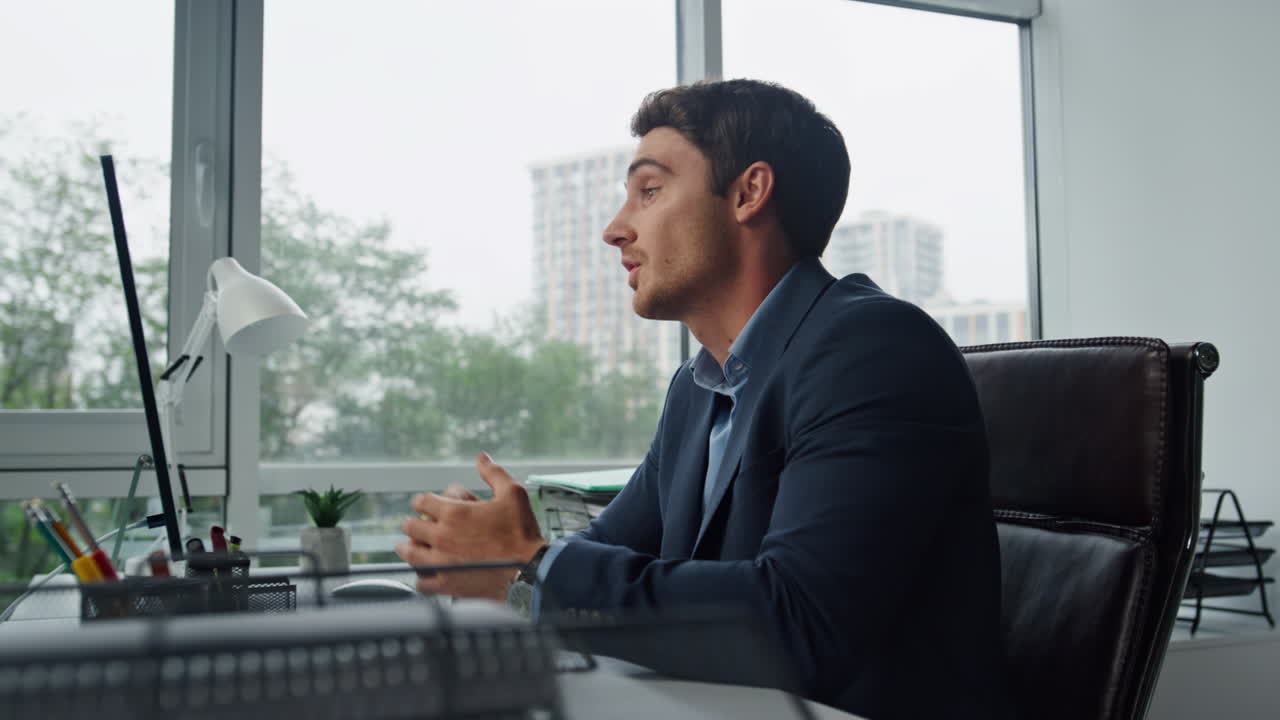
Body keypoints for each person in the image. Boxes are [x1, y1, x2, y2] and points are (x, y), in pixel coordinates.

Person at [397, 79, 1011, 719]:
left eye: (650, 192)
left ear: (748, 193)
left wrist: (528, 567)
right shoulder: (699, 386)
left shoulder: (874, 349)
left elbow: (800, 623)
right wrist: (494, 557)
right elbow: (611, 555)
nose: (615, 229)